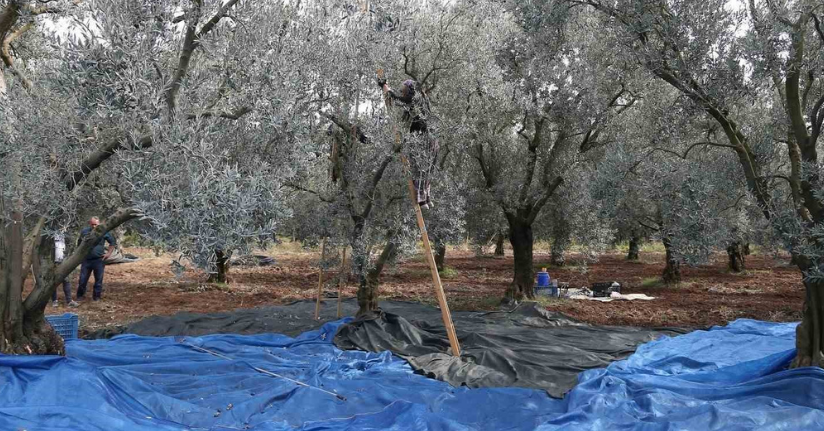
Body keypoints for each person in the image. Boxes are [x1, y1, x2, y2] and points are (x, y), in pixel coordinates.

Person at [378, 78, 439, 209]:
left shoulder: (415, 98)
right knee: (427, 168)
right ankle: (427, 199)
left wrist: (384, 86)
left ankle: (422, 200)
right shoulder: (422, 98)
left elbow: (395, 98)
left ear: (410, 89)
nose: (402, 91)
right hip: (432, 138)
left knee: (419, 166)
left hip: (424, 138)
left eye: (404, 89)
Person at [76, 217, 117, 301]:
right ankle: (80, 296)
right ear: (89, 224)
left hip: (99, 260)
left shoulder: (103, 231)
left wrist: (108, 253)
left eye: (96, 225)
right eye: (92, 224)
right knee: (82, 280)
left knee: (98, 280)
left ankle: (96, 297)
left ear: (99, 224)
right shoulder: (85, 231)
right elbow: (79, 244)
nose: (94, 226)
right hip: (86, 260)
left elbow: (112, 243)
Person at [52, 232, 79, 307]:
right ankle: (54, 300)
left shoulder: (67, 235)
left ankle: (69, 300)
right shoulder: (50, 236)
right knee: (53, 282)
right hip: (54, 263)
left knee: (67, 281)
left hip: (64, 261)